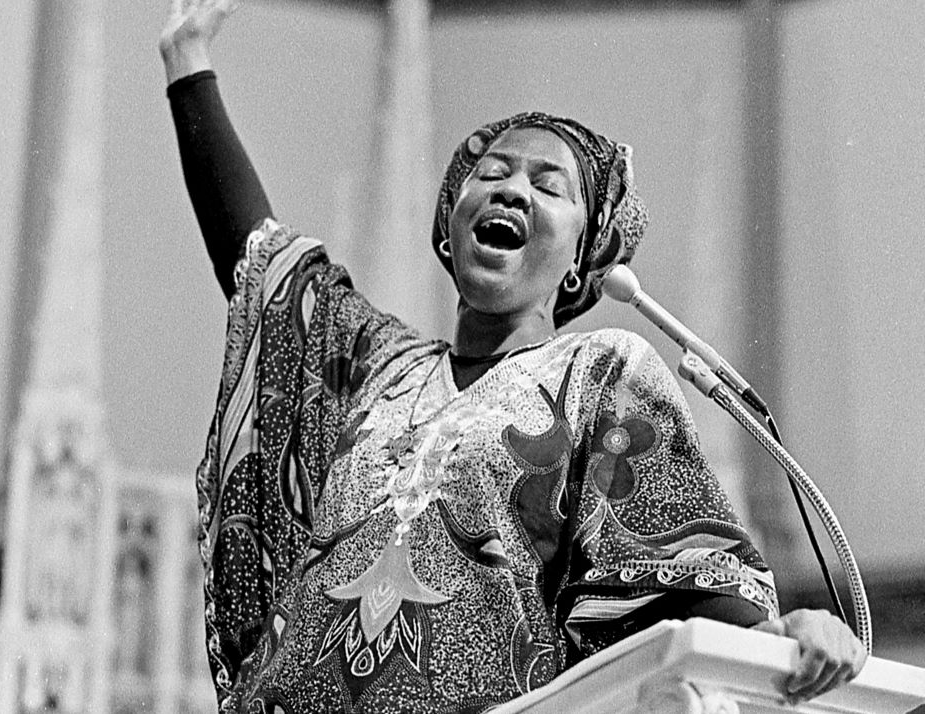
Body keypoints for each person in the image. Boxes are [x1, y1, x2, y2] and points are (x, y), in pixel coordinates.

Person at [160, 2, 867, 712]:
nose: (511, 188)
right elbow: (265, 267)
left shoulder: (603, 371)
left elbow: (681, 588)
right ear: (450, 231)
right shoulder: (374, 367)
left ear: (578, 263)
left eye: (548, 185)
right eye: (493, 172)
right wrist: (188, 65)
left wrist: (787, 639)